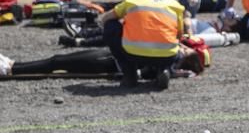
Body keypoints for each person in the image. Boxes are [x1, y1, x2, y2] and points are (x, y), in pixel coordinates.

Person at [96, 0, 185, 90]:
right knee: (174, 46)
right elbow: (179, 35)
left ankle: (130, 75)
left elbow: (106, 18)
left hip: (132, 54)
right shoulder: (176, 6)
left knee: (111, 25)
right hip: (165, 56)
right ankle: (163, 70)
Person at [0, 44, 204, 79]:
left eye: (188, 50)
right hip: (108, 56)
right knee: (58, 60)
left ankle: (12, 68)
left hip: (107, 61)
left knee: (58, 62)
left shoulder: (171, 60)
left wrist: (184, 71)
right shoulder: (171, 56)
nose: (185, 47)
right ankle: (13, 65)